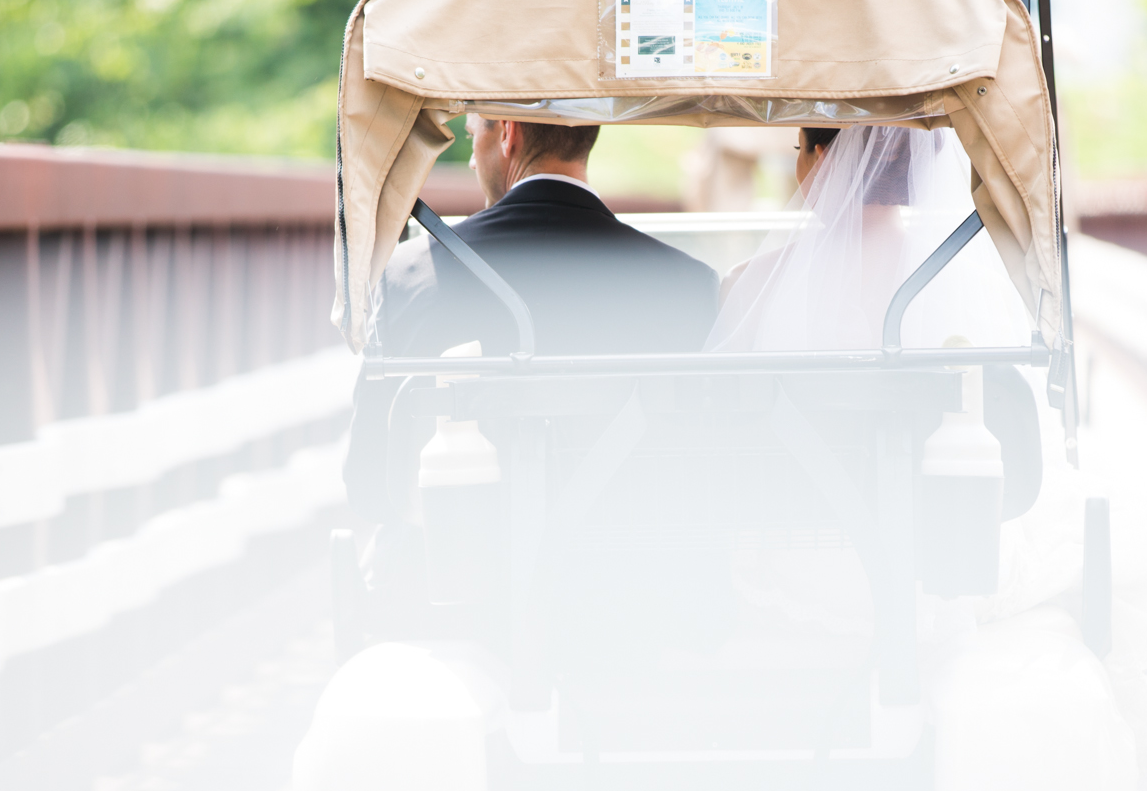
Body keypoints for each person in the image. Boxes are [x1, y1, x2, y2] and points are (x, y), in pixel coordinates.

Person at [345, 114, 718, 521]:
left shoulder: (409, 275)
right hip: (638, 565)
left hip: (455, 564)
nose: (471, 161)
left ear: (508, 133)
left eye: (472, 136)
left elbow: (366, 475)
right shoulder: (690, 285)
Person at [706, 124, 1029, 354]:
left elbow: (727, 417)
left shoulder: (749, 285)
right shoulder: (982, 289)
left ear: (822, 159)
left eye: (797, 148)